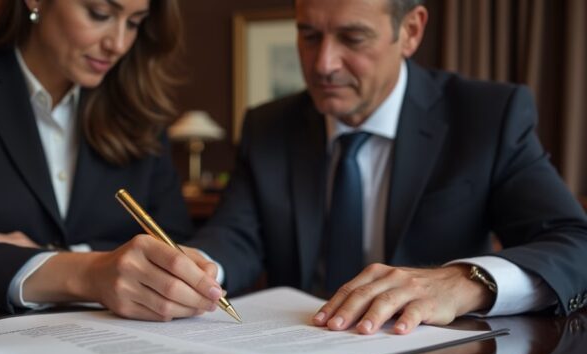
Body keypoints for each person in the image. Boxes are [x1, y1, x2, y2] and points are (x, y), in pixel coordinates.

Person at [183, 0, 587, 333]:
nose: (324, 64)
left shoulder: (486, 117)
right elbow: (235, 236)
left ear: (410, 31)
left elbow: (575, 244)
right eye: (308, 36)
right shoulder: (267, 125)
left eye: (352, 38)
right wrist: (192, 268)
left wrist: (466, 282)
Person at [0, 0, 224, 320]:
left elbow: (174, 242)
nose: (117, 43)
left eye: (134, 23)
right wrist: (87, 272)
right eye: (100, 14)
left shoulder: (141, 115)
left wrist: (53, 255)